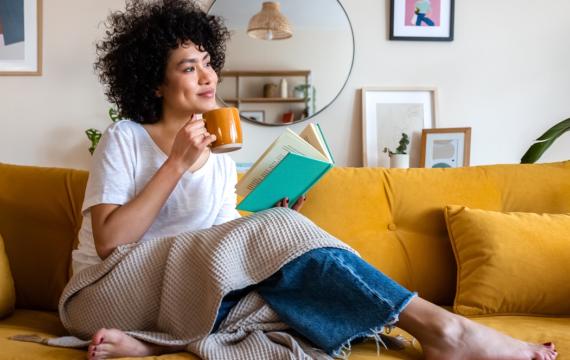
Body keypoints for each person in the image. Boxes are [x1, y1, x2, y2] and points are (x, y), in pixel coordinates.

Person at [72, 1, 558, 359]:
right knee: (281, 268)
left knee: (287, 288)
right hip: (105, 293)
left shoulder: (219, 158)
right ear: (154, 84)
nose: (207, 76)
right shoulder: (126, 138)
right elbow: (111, 242)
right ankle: (446, 330)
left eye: (207, 62)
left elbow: (216, 245)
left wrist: (271, 224)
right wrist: (175, 164)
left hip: (179, 295)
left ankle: (151, 346)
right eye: (188, 67)